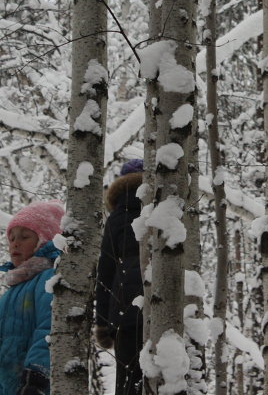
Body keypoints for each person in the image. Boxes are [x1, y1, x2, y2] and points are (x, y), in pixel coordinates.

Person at [0, 200, 64, 395]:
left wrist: (36, 377)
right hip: (1, 385)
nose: (15, 242)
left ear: (45, 240)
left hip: (31, 384)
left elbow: (48, 329)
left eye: (25, 236)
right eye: (12, 237)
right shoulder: (9, 293)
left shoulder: (48, 280)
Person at [95, 159, 145, 395]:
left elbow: (104, 274)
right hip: (165, 307)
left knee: (128, 383)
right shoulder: (167, 211)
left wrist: (102, 324)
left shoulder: (116, 218)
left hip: (125, 313)